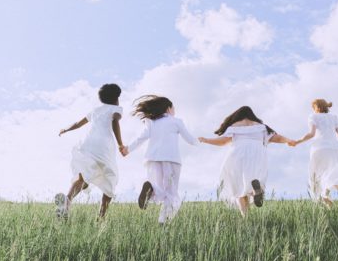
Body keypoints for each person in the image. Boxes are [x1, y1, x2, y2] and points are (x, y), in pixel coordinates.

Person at [199, 106, 293, 216]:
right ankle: (256, 191)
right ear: (252, 115)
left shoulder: (234, 126)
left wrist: (206, 140)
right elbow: (276, 137)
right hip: (257, 154)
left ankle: (246, 216)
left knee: (238, 187)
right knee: (253, 179)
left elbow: (223, 141)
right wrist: (288, 140)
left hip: (238, 154)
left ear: (237, 116)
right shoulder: (261, 127)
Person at [121, 95, 198, 223]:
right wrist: (202, 141)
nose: (175, 111)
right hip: (171, 159)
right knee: (171, 193)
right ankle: (163, 222)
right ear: (168, 109)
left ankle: (151, 188)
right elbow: (190, 139)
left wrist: (127, 149)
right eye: (174, 108)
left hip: (152, 159)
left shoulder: (152, 123)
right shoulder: (176, 121)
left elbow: (141, 138)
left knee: (159, 188)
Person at [55, 83, 125, 218]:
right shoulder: (117, 108)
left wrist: (66, 129)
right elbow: (115, 121)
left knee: (83, 176)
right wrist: (121, 144)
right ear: (117, 98)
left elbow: (78, 123)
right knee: (111, 178)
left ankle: (67, 200)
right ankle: (101, 217)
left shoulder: (96, 110)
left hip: (88, 145)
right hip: (104, 147)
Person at [292, 99, 338, 214]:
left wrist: (297, 141)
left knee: (316, 178)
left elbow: (311, 134)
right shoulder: (334, 117)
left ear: (316, 107)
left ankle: (323, 200)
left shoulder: (313, 116)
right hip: (336, 150)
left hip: (319, 149)